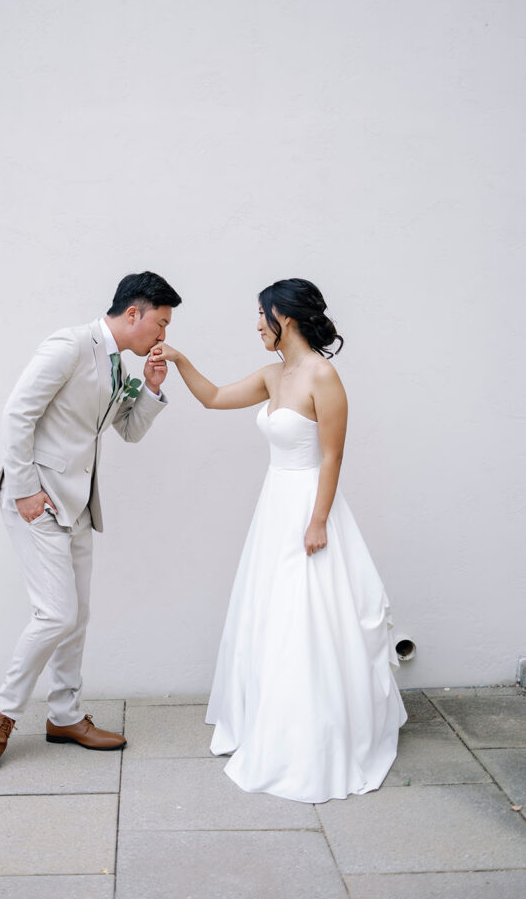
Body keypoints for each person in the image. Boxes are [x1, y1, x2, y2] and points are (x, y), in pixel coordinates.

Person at [153, 277, 406, 803]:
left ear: (283, 318)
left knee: (307, 616)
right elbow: (216, 397)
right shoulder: (274, 375)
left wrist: (318, 520)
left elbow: (333, 456)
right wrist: (178, 360)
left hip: (309, 506)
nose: (257, 325)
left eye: (260, 315)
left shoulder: (323, 376)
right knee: (270, 613)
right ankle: (268, 720)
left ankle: (312, 733)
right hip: (273, 508)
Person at [0, 271, 182, 771]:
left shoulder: (117, 367)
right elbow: (17, 414)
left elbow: (127, 432)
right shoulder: (69, 345)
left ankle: (65, 715)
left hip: (80, 505)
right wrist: (23, 489)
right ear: (134, 313)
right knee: (56, 614)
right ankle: (1, 713)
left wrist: (151, 389)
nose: (163, 335)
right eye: (161, 322)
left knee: (77, 615)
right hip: (38, 500)